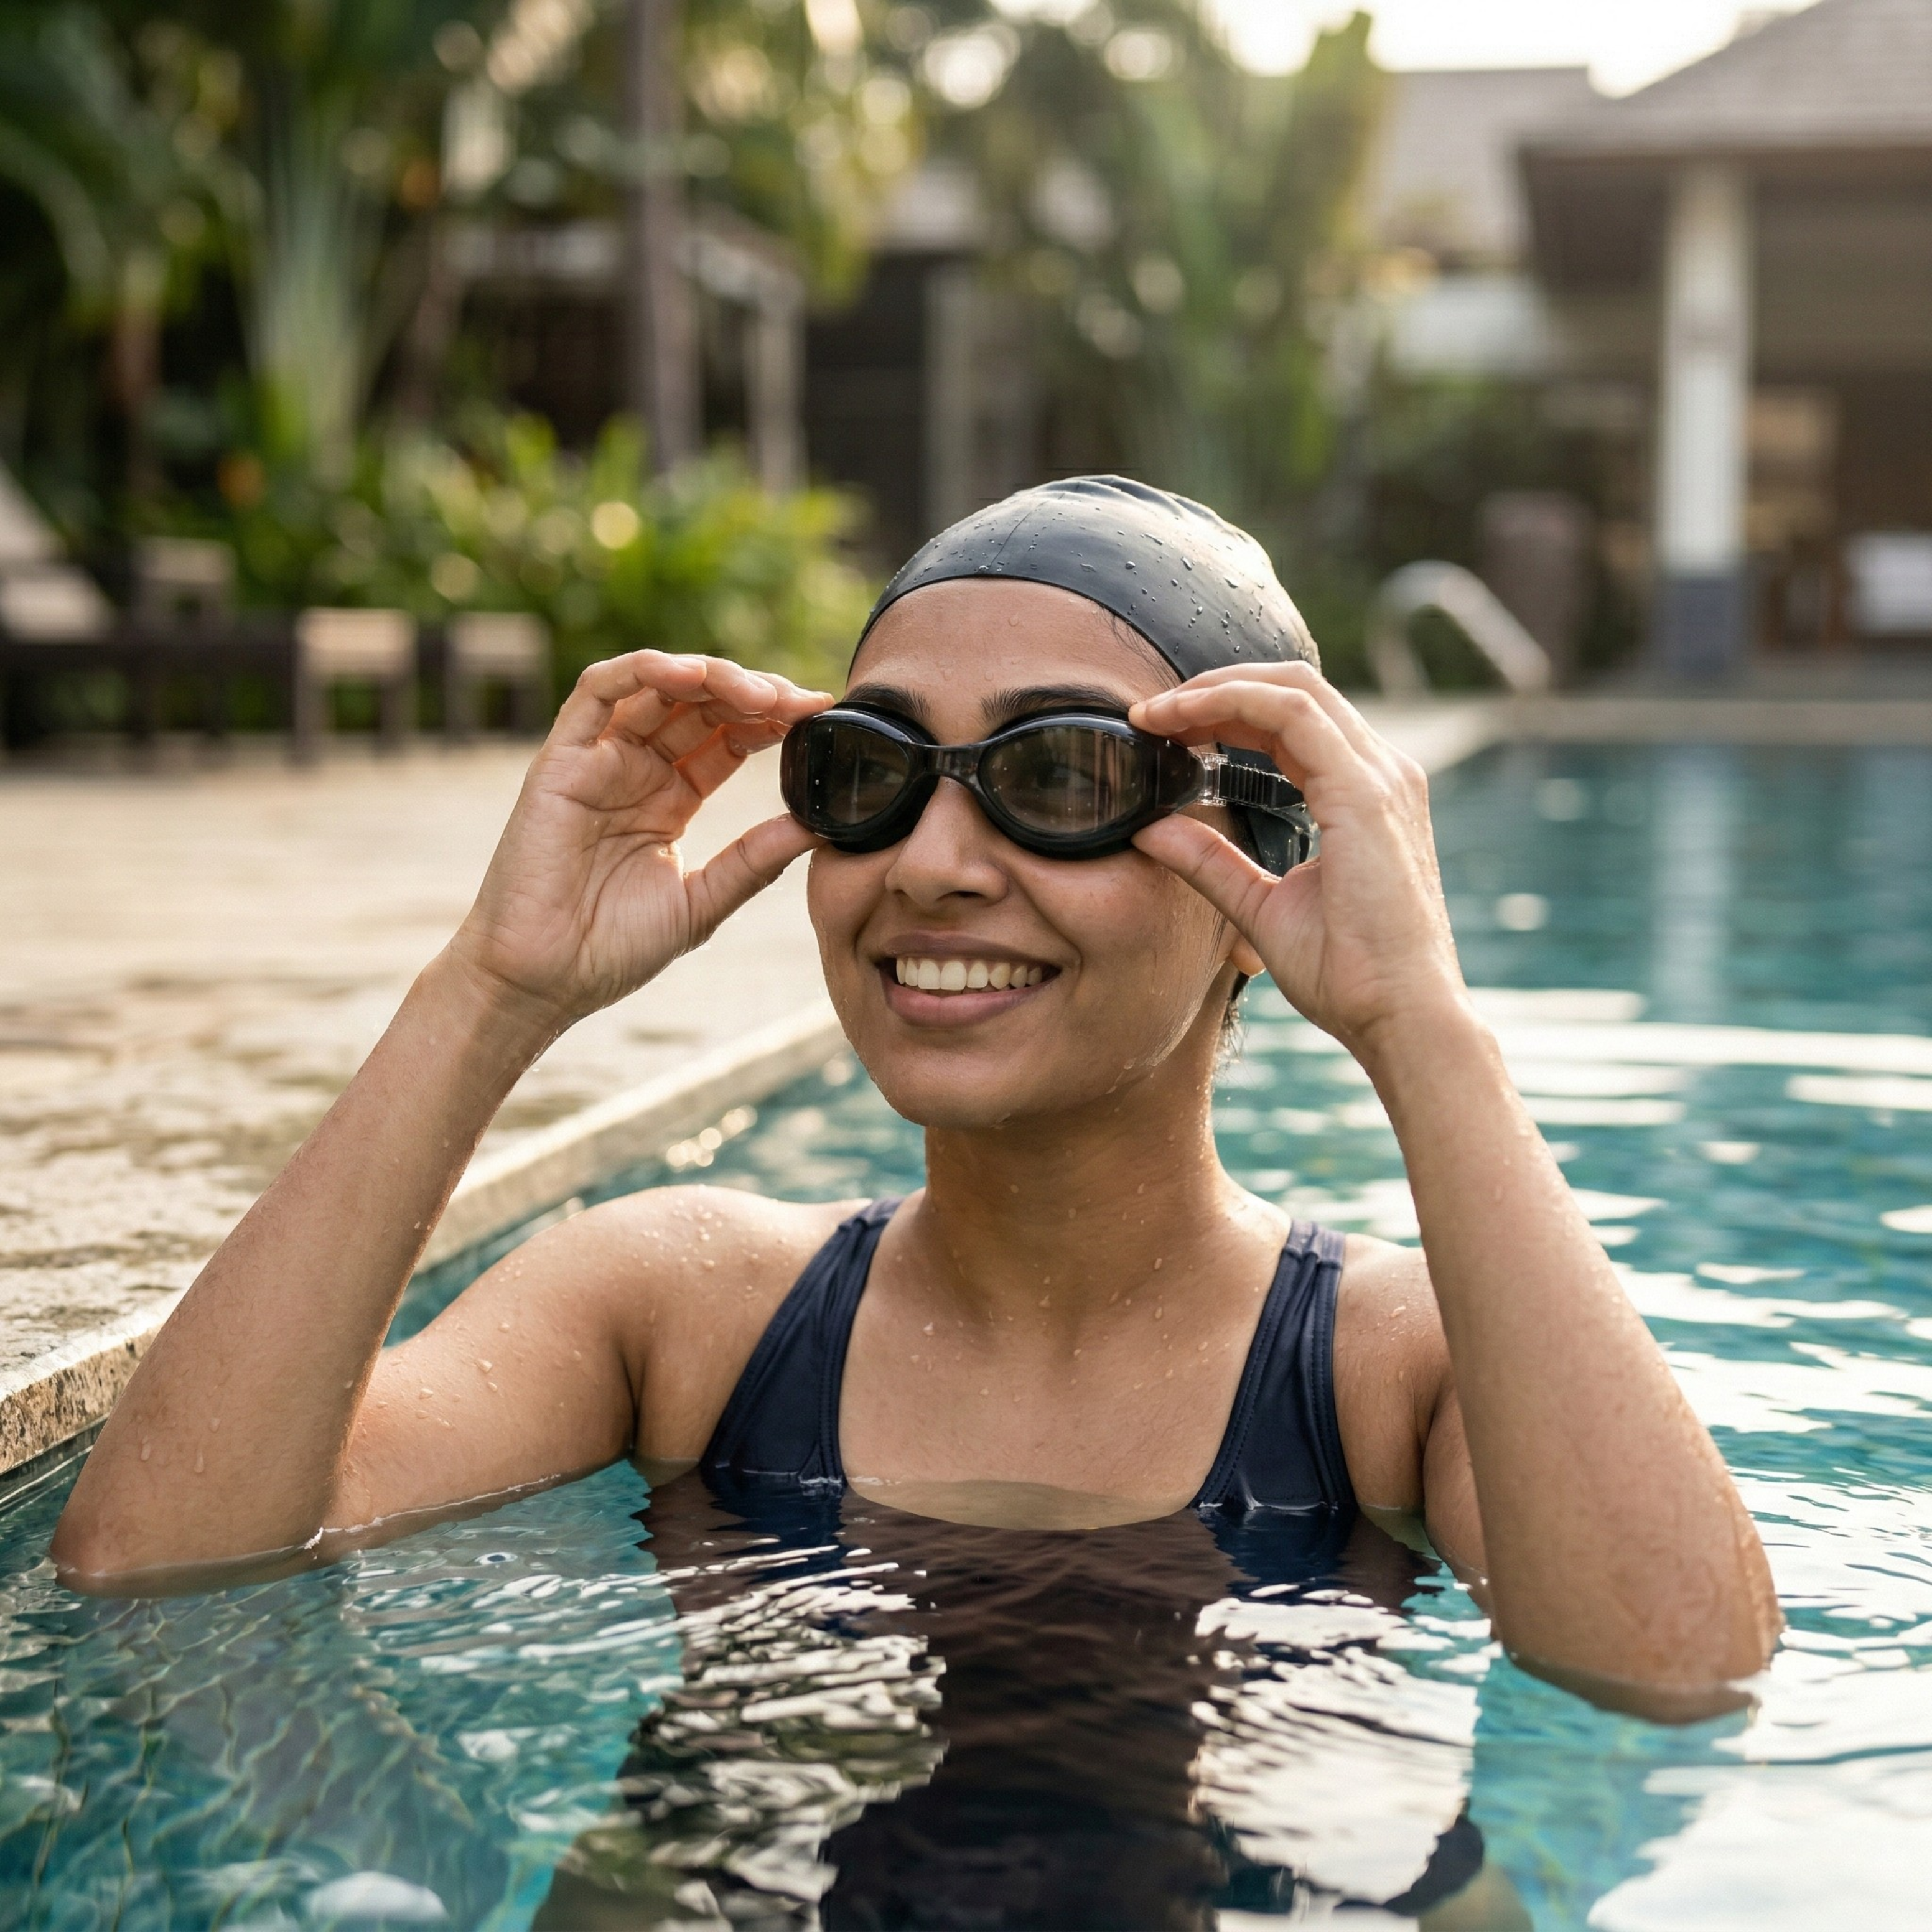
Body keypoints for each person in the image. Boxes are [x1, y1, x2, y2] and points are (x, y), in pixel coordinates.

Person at [52, 475, 1779, 1697]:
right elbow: (158, 1566)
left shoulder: (1392, 1369)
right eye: (868, 769)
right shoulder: (681, 1309)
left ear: (1259, 887)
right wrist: (490, 996)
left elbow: (1677, 1674)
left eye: (1064, 771)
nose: (936, 863)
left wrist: (1427, 1033)